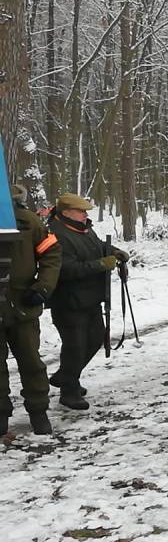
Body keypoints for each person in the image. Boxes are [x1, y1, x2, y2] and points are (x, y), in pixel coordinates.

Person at [47, 193, 129, 410]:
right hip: (68, 302)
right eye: (81, 211)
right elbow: (66, 269)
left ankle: (66, 376)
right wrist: (102, 264)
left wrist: (115, 252)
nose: (85, 214)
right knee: (75, 346)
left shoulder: (83, 229)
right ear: (66, 212)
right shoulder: (57, 235)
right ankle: (69, 392)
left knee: (95, 339)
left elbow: (99, 246)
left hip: (91, 299)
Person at [1, 185, 61, 435]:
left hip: (23, 304)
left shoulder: (29, 221)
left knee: (31, 361)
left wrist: (43, 287)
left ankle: (38, 411)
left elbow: (51, 253)